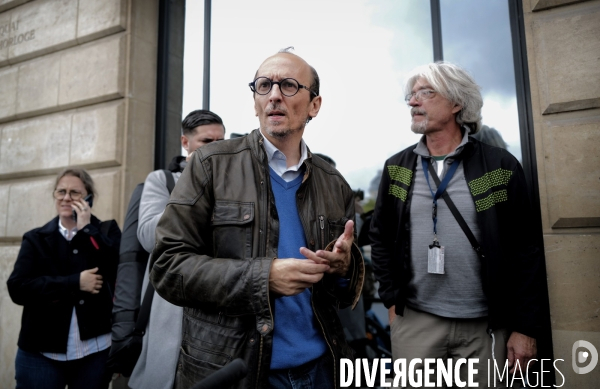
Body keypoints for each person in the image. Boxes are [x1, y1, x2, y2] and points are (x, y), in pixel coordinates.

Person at [150, 48, 364, 389]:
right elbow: (167, 266)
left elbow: (341, 292)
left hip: (323, 368)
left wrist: (343, 268)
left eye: (290, 85)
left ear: (314, 105)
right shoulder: (209, 165)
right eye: (264, 86)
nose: (275, 95)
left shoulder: (334, 183)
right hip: (236, 372)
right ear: (255, 102)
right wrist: (263, 277)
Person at [369, 62, 545, 386]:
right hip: (416, 323)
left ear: (456, 104)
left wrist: (525, 327)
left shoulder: (499, 165)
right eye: (411, 94)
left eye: (425, 93)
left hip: (484, 327)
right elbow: (380, 238)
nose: (412, 102)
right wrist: (392, 301)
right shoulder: (397, 168)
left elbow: (525, 251)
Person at [128, 109, 226, 389]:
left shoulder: (233, 184)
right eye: (207, 141)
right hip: (171, 312)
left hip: (218, 309)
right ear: (186, 143)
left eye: (220, 141)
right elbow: (150, 237)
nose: (215, 148)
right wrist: (192, 183)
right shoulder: (163, 180)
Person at [7, 168, 121, 389]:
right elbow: (18, 288)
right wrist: (75, 282)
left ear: (89, 198)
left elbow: (116, 267)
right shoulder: (35, 239)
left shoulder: (107, 232)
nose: (66, 197)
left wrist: (87, 229)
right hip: (40, 354)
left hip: (94, 353)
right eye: (61, 192)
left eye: (75, 192)